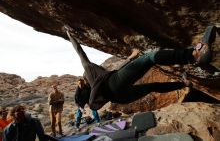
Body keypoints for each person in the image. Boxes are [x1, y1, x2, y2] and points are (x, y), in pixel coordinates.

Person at [64, 25, 218, 110]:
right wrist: (70, 35)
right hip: (116, 82)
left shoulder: (97, 90)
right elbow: (80, 53)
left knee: (152, 87)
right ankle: (195, 54)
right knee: (149, 58)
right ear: (84, 89)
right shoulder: (90, 73)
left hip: (119, 98)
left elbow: (113, 72)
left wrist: (130, 58)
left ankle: (183, 84)